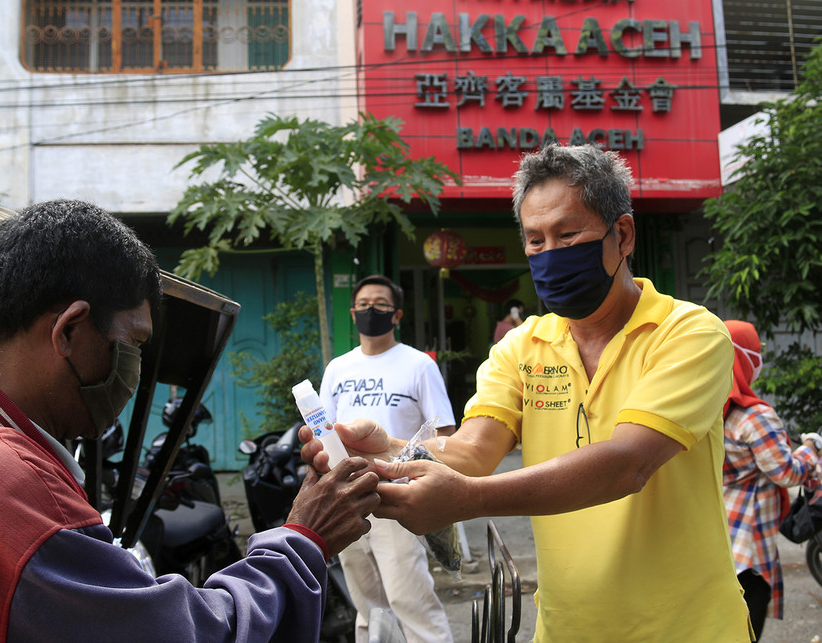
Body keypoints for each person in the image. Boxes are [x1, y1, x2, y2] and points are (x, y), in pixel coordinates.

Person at [302, 145, 753, 642]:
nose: (550, 254)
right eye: (535, 240)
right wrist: (385, 450)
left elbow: (628, 463)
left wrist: (468, 500)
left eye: (568, 234)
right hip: (564, 630)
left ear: (622, 234)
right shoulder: (521, 346)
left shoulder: (688, 333)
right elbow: (474, 450)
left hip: (689, 630)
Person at [0, 199, 380, 642]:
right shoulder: (12, 488)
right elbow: (192, 634)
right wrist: (303, 538)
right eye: (132, 346)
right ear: (69, 331)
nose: (134, 372)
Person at [319, 274, 455, 643]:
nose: (370, 311)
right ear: (352, 313)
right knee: (367, 606)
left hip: (396, 497)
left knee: (409, 600)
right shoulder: (337, 369)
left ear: (396, 315)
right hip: (347, 498)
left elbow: (445, 435)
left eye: (380, 304)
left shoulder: (418, 365)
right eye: (363, 305)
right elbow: (324, 432)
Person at [721, 320, 821, 640]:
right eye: (756, 352)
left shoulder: (705, 410)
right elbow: (785, 472)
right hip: (748, 544)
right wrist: (811, 447)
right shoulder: (753, 417)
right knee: (747, 627)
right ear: (745, 358)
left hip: (719, 537)